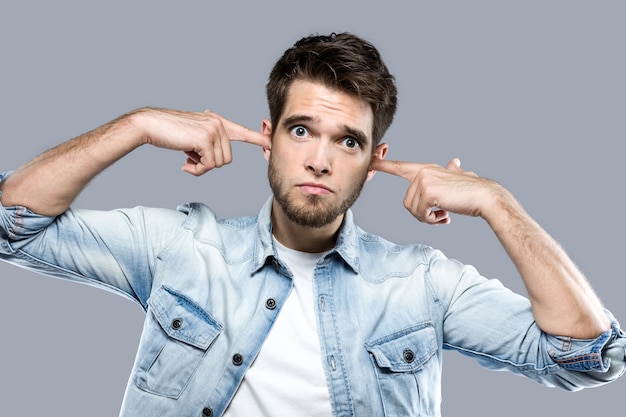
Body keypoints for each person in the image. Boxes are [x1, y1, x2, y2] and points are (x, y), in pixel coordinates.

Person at [0, 32, 624, 417]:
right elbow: (11, 223)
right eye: (301, 131)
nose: (320, 160)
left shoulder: (423, 286)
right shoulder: (181, 248)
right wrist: (135, 126)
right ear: (268, 140)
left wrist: (497, 202)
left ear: (375, 162)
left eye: (348, 141)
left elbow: (589, 356)